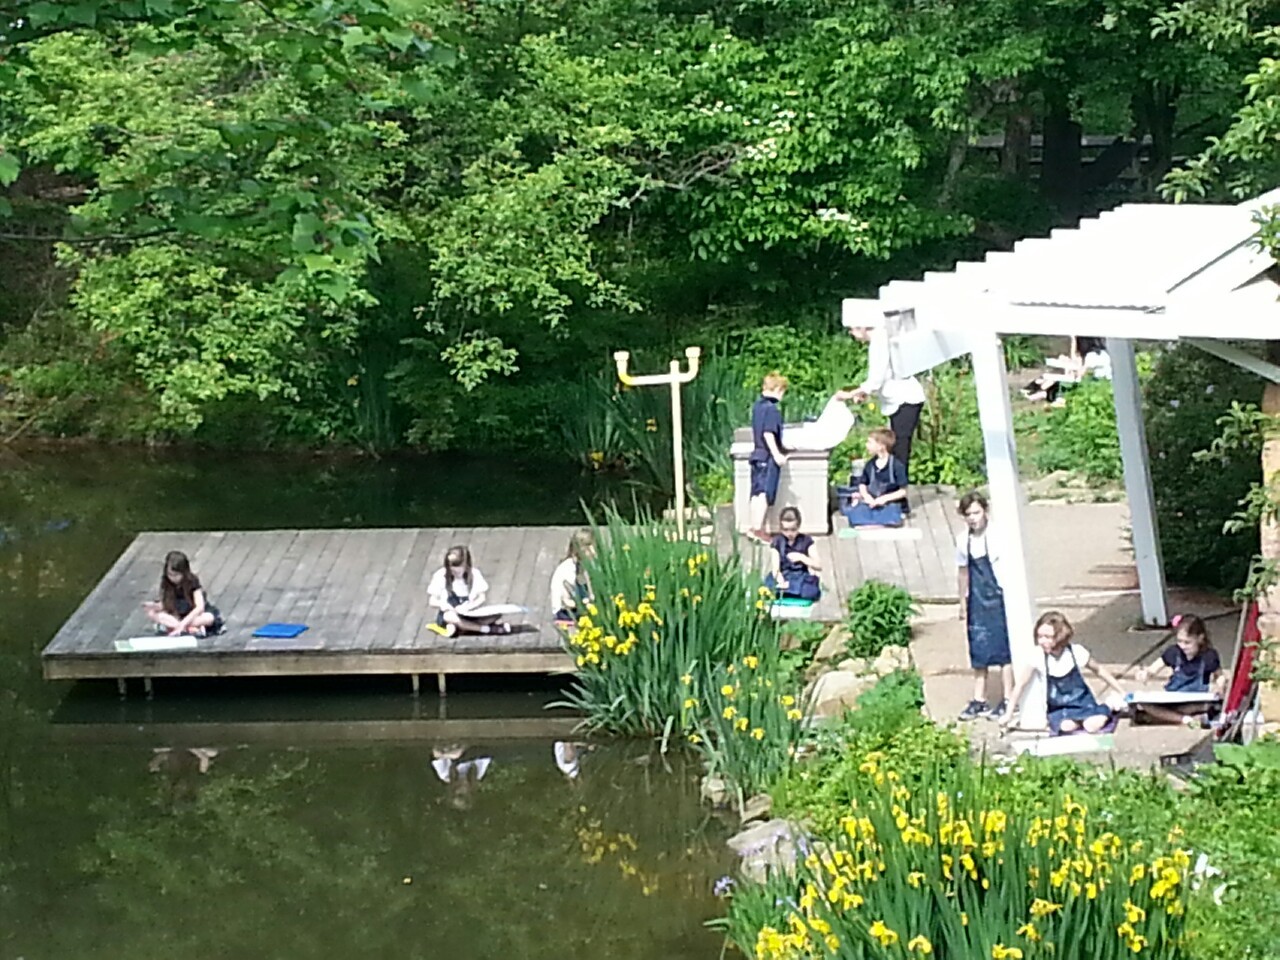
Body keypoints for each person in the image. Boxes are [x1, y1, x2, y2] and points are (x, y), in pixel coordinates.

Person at [834, 319, 926, 499]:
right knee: (896, 448)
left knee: (899, 449)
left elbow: (877, 378)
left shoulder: (879, 340)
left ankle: (899, 496)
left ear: (862, 326)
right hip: (898, 401)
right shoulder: (880, 338)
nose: (852, 333)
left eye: (852, 329)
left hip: (905, 400)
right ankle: (892, 492)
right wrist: (864, 392)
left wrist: (854, 392)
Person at [1001, 611, 1127, 736]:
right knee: (1066, 727)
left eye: (1048, 637)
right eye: (1039, 636)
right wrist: (1008, 714)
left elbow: (1099, 670)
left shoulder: (1075, 652)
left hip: (1083, 703)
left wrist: (1122, 692)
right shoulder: (1037, 656)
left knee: (1092, 726)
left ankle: (1109, 706)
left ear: (1060, 636)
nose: (1042, 641)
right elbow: (1020, 685)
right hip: (1059, 709)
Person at [955, 491, 1013, 720]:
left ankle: (1008, 697)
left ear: (985, 512)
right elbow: (963, 572)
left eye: (976, 513)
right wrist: (962, 602)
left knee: (1003, 650)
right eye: (968, 514)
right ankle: (980, 699)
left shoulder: (998, 535)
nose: (973, 518)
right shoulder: (963, 540)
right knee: (978, 649)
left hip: (999, 597)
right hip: (977, 600)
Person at [1133, 614, 1226, 727]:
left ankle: (1165, 717)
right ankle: (1185, 719)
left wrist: (1220, 687)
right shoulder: (1173, 652)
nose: (1182, 646)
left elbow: (1219, 675)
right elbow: (1154, 669)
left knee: (1206, 705)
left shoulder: (1209, 656)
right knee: (1143, 703)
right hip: (1173, 697)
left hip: (1196, 699)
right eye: (1179, 641)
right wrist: (1145, 674)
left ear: (1200, 638)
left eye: (1187, 642)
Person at [427, 545, 513, 637]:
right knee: (450, 617)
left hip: (470, 613)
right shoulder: (440, 575)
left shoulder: (475, 574)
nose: (456, 572)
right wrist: (445, 605)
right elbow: (432, 601)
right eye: (453, 570)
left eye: (459, 569)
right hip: (450, 613)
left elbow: (481, 597)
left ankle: (464, 627)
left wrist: (470, 606)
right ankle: (488, 629)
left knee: (496, 614)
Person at [747, 372, 789, 542]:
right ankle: (759, 530)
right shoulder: (772, 410)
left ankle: (753, 527)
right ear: (778, 389)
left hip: (756, 455)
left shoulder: (757, 406)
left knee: (756, 492)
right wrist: (778, 455)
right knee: (765, 493)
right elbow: (768, 433)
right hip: (767, 456)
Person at [142, 550, 223, 638]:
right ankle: (188, 629)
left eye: (176, 575)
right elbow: (168, 604)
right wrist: (155, 606)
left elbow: (199, 607)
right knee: (152, 613)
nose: (172, 578)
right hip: (176, 615)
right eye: (170, 574)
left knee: (209, 617)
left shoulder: (192, 581)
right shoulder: (166, 582)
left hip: (192, 614)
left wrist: (183, 623)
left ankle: (179, 627)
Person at [840, 428, 908, 527]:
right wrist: (867, 497)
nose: (867, 445)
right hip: (871, 501)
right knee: (856, 513)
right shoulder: (870, 465)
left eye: (870, 442)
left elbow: (903, 491)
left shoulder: (896, 466)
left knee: (892, 514)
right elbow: (862, 484)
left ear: (881, 446)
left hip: (889, 503)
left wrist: (884, 499)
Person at [765, 506, 821, 600]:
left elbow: (818, 565)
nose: (789, 533)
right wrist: (780, 580)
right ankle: (789, 591)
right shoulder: (777, 541)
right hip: (784, 574)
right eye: (785, 530)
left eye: (793, 530)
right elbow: (776, 568)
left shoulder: (806, 540)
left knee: (811, 591)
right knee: (768, 586)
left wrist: (802, 558)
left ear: (798, 526)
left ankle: (789, 591)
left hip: (800, 576)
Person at [551, 529, 595, 626]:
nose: (593, 551)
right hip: (566, 614)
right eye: (588, 546)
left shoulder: (584, 566)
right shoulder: (568, 569)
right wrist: (587, 603)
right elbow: (566, 602)